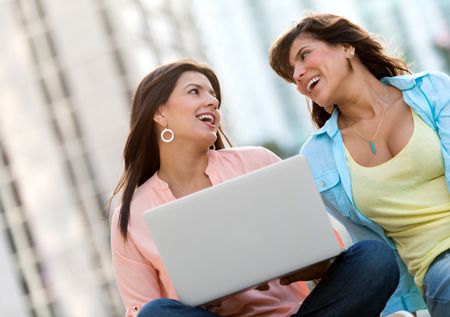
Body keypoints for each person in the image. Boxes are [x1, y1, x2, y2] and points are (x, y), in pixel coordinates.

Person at [109, 59, 399, 317]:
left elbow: (327, 249)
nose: (212, 102)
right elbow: (141, 309)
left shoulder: (256, 161)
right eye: (195, 91)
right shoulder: (132, 216)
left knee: (374, 258)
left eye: (213, 95)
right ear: (159, 114)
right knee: (157, 314)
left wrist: (311, 265)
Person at [269, 13, 450, 317]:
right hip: (439, 268)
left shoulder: (433, 90)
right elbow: (350, 249)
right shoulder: (318, 157)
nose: (298, 75)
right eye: (292, 74)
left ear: (346, 47)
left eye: (304, 55)